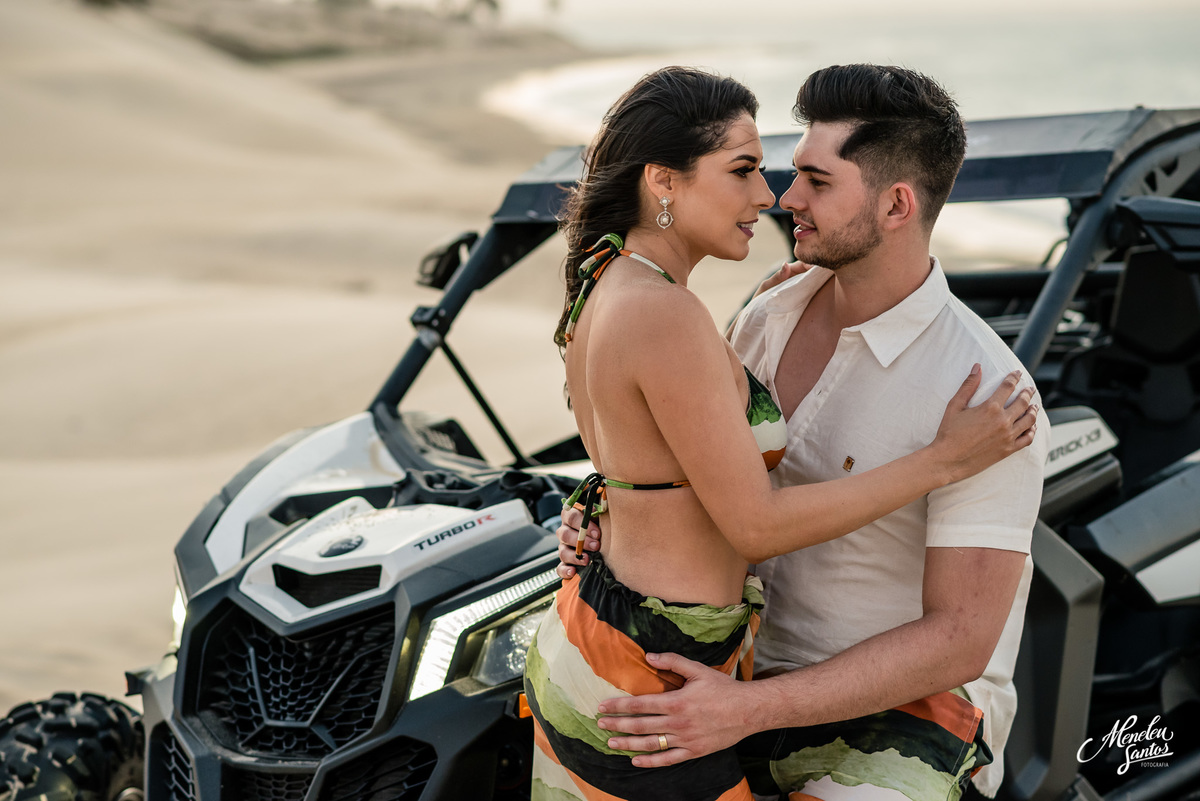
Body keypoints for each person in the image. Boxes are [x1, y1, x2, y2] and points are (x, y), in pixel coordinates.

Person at [527, 65, 1039, 801]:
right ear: (664, 182)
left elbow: (961, 637)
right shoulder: (760, 313)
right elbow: (697, 475)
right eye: (762, 171)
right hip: (709, 668)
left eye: (814, 181)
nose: (780, 197)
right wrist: (604, 509)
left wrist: (748, 708)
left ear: (897, 205)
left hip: (882, 714)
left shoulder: (985, 395)